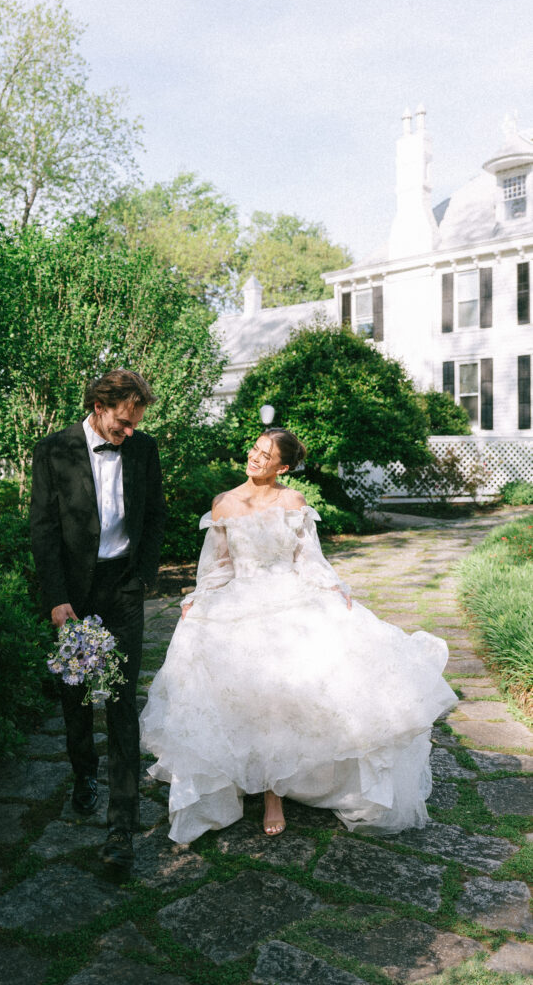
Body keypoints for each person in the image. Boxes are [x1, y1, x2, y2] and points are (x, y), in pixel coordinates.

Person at [140, 427, 457, 843]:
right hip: (241, 598)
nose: (255, 457)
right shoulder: (223, 504)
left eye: (266, 455)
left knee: (289, 687)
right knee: (247, 687)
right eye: (255, 448)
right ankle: (248, 777)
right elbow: (218, 566)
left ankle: (276, 794)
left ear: (282, 467)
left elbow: (309, 560)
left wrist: (334, 590)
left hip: (290, 596)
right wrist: (198, 598)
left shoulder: (293, 502)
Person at [30, 370, 166, 869]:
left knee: (122, 701)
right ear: (99, 405)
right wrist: (57, 598)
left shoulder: (143, 448)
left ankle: (121, 829)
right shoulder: (54, 449)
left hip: (123, 591)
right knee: (78, 694)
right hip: (76, 596)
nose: (128, 432)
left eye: (135, 424)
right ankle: (84, 772)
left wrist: (144, 578)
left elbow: (155, 516)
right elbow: (42, 528)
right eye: (123, 422)